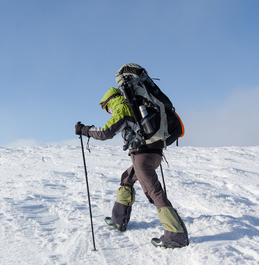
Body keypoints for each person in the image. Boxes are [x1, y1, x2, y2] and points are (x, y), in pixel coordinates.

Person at [75, 87, 189, 248]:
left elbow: (106, 133)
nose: (108, 111)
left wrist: (84, 130)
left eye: (106, 108)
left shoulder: (122, 108)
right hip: (154, 155)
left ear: (110, 101)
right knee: (126, 178)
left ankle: (176, 235)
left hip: (142, 158)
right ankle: (118, 220)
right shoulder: (138, 106)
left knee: (154, 193)